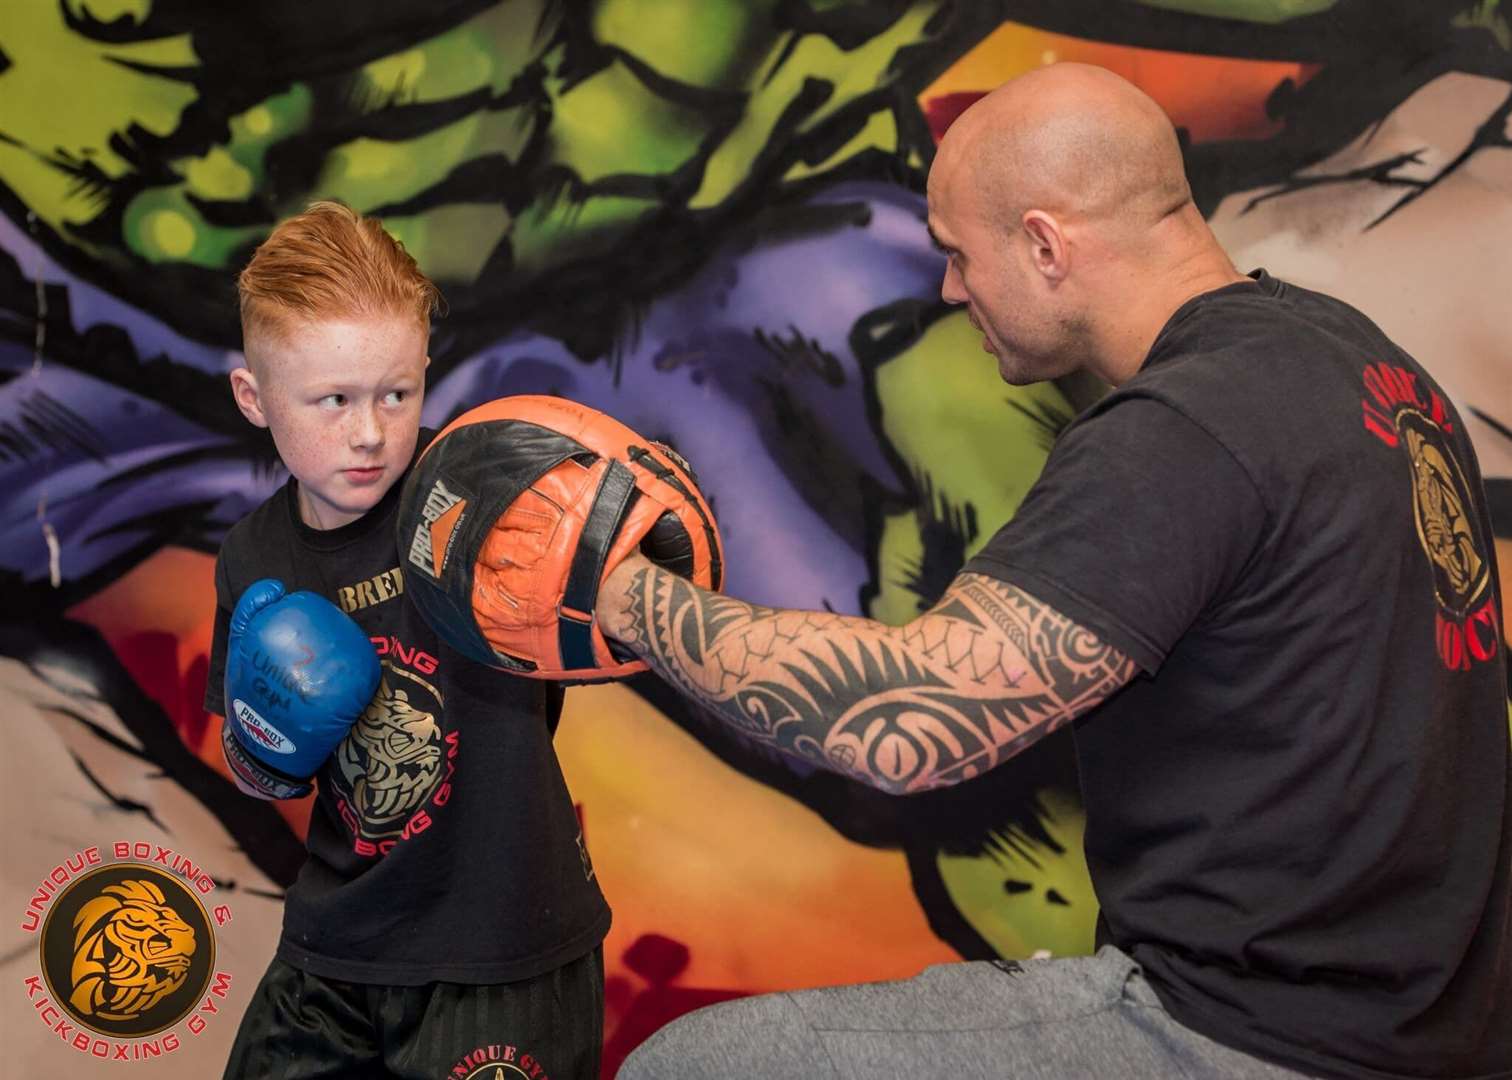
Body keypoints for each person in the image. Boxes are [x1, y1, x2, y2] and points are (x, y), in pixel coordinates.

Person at [598, 64, 1511, 1079]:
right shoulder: (1360, 362)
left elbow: (909, 720)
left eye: (957, 254)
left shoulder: (1186, 428)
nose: (949, 289)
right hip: (1434, 1027)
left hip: (1254, 1037)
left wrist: (621, 595)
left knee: (691, 1069)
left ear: (1042, 244)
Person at [204, 202, 610, 1079]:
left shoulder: (475, 499)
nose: (370, 431)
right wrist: (268, 729)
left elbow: (580, 647)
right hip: (340, 937)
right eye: (334, 400)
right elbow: (254, 768)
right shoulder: (253, 556)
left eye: (398, 392)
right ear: (255, 397)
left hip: (506, 942)